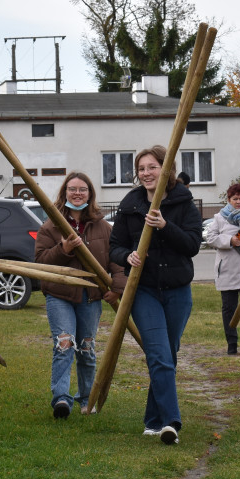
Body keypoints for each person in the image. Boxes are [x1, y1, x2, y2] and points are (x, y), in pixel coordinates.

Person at [110, 145, 203, 445]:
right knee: (159, 354)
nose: (146, 174)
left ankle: (152, 420)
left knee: (169, 355)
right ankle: (171, 422)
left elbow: (192, 245)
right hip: (144, 291)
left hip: (177, 291)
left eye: (152, 167)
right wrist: (128, 257)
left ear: (167, 170)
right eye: (141, 169)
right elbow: (115, 246)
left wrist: (165, 225)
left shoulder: (184, 203)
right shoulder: (130, 205)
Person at [34, 172, 118, 418]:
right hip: (59, 295)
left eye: (83, 189)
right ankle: (61, 398)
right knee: (64, 344)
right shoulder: (51, 227)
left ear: (90, 194)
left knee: (87, 348)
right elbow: (40, 262)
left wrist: (116, 287)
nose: (77, 193)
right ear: (65, 193)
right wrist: (64, 249)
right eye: (72, 189)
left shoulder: (103, 227)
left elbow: (115, 261)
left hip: (91, 297)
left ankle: (86, 399)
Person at [207, 183, 240, 355]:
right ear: (229, 200)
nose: (238, 202)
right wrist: (230, 241)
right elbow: (211, 238)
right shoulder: (220, 217)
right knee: (229, 307)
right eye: (235, 199)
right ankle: (231, 342)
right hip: (227, 268)